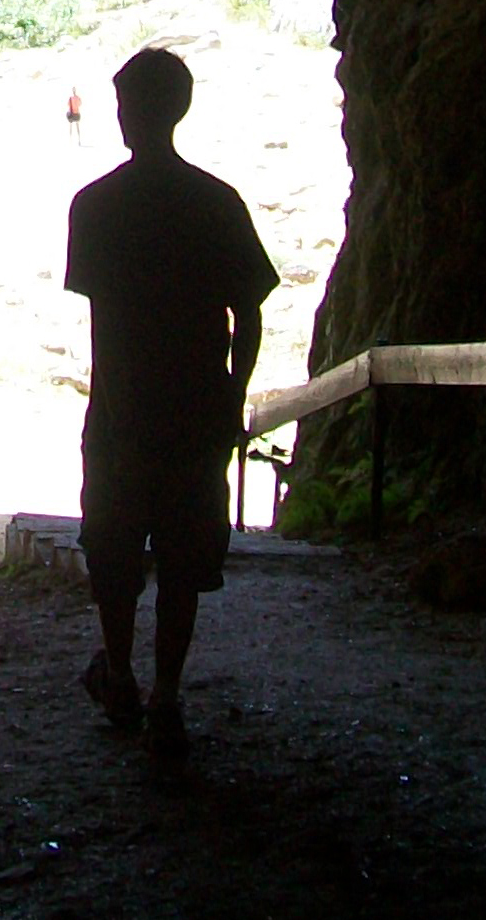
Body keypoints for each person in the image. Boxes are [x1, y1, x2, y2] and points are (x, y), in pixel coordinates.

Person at [64, 49, 277, 765]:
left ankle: (119, 673)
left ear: (130, 111)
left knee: (114, 548)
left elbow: (101, 309)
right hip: (193, 407)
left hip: (122, 407)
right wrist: (233, 393)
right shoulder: (217, 203)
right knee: (184, 558)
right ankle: (165, 694)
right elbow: (246, 314)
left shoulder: (94, 207)